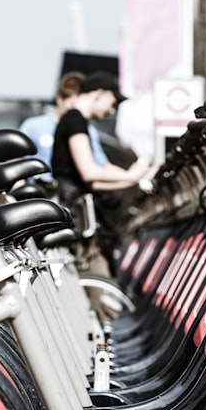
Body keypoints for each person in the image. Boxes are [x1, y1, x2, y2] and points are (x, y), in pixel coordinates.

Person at [51, 70, 154, 277]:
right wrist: (132, 177)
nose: (112, 110)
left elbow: (93, 181)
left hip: (77, 216)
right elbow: (89, 172)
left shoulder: (77, 121)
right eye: (113, 102)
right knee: (100, 281)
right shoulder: (75, 120)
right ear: (99, 93)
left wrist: (135, 180)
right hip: (76, 217)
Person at [19, 71, 109, 178]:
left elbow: (101, 163)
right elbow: (16, 160)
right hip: (37, 192)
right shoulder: (33, 126)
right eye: (72, 106)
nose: (75, 112)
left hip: (68, 191)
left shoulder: (88, 130)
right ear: (60, 99)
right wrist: (22, 189)